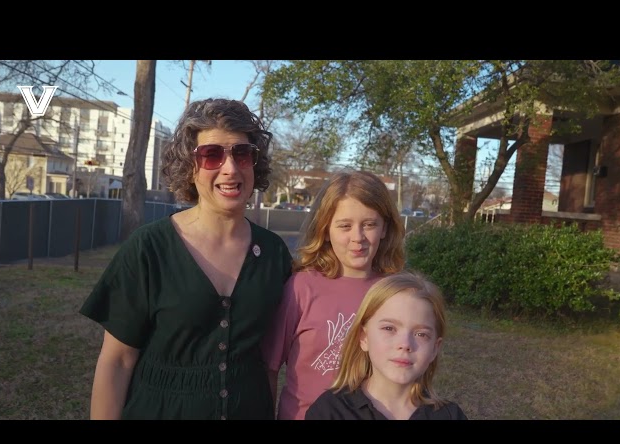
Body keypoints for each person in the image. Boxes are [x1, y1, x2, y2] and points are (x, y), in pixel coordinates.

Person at [80, 98, 293, 420]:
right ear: (190, 167)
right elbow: (118, 361)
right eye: (211, 155)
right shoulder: (149, 247)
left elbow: (270, 361)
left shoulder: (273, 253)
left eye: (242, 153)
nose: (230, 168)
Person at [261, 170, 406, 420]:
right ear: (326, 229)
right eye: (345, 226)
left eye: (369, 224)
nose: (357, 238)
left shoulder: (394, 293)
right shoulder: (301, 288)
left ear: (385, 228)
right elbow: (269, 368)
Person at [305, 271, 468, 420]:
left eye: (421, 334)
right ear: (364, 338)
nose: (405, 344)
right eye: (389, 328)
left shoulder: (450, 416)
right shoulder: (329, 411)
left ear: (435, 348)